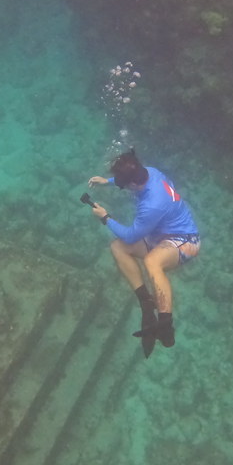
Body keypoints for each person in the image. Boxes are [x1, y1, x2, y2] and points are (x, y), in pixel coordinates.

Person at [87, 149, 200, 357]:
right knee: (118, 247)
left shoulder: (152, 205)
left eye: (123, 185)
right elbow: (129, 176)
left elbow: (130, 236)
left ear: (132, 184)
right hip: (160, 236)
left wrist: (105, 217)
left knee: (152, 261)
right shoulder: (150, 172)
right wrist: (107, 182)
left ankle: (165, 324)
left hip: (186, 241)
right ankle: (146, 305)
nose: (123, 187)